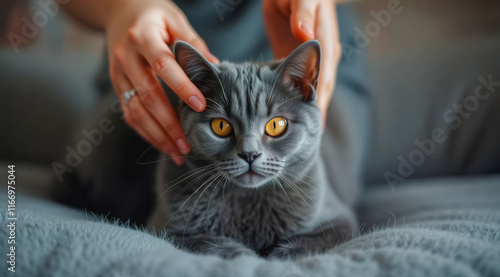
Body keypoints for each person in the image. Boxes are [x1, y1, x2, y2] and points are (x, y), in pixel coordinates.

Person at [62, 0, 345, 165]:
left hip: (298, 47)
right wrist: (119, 9)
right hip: (157, 49)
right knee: (112, 161)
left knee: (328, 168)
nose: (250, 151)